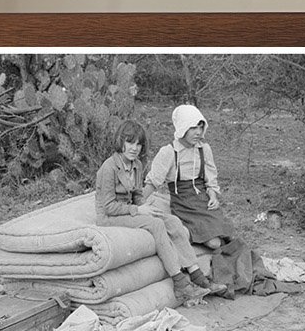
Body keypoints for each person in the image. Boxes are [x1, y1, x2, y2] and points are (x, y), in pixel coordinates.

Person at [95, 120, 225, 306]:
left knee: (171, 221)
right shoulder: (109, 167)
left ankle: (197, 275)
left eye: (139, 144)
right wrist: (138, 210)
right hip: (110, 217)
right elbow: (108, 207)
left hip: (130, 209)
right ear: (120, 141)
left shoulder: (137, 165)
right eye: (130, 142)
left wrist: (145, 207)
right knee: (155, 225)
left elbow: (137, 194)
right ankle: (180, 282)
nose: (134, 148)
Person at [145, 104, 236, 251]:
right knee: (214, 243)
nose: (198, 133)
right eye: (193, 128)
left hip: (203, 201)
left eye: (201, 128)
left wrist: (213, 196)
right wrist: (137, 205)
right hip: (183, 204)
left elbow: (211, 178)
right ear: (183, 128)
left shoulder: (204, 149)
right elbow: (153, 182)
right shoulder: (169, 152)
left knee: (228, 235)